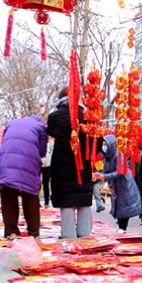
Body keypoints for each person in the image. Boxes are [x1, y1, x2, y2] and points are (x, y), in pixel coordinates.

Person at [47, 87, 99, 239]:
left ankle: (69, 240)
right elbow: (97, 139)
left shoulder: (54, 117)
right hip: (83, 164)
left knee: (66, 202)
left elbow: (50, 132)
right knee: (83, 201)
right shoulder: (89, 117)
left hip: (61, 166)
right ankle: (85, 239)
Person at [0, 115, 47, 239]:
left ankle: (11, 232)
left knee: (8, 195)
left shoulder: (11, 123)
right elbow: (42, 151)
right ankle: (34, 233)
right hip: (28, 162)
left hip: (6, 160)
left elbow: (4, 142)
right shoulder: (41, 127)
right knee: (30, 195)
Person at [93, 135, 141, 231]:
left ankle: (122, 231)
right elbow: (105, 171)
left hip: (125, 187)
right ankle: (122, 230)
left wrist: (104, 176)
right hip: (116, 189)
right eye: (103, 144)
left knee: (124, 212)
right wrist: (98, 175)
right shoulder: (107, 158)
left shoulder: (119, 155)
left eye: (105, 144)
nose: (104, 147)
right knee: (120, 212)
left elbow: (120, 172)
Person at [39, 138, 53, 207]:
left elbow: (52, 153)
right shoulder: (38, 141)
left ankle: (46, 202)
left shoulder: (51, 143)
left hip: (47, 165)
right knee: (37, 183)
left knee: (46, 183)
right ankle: (36, 201)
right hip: (39, 164)